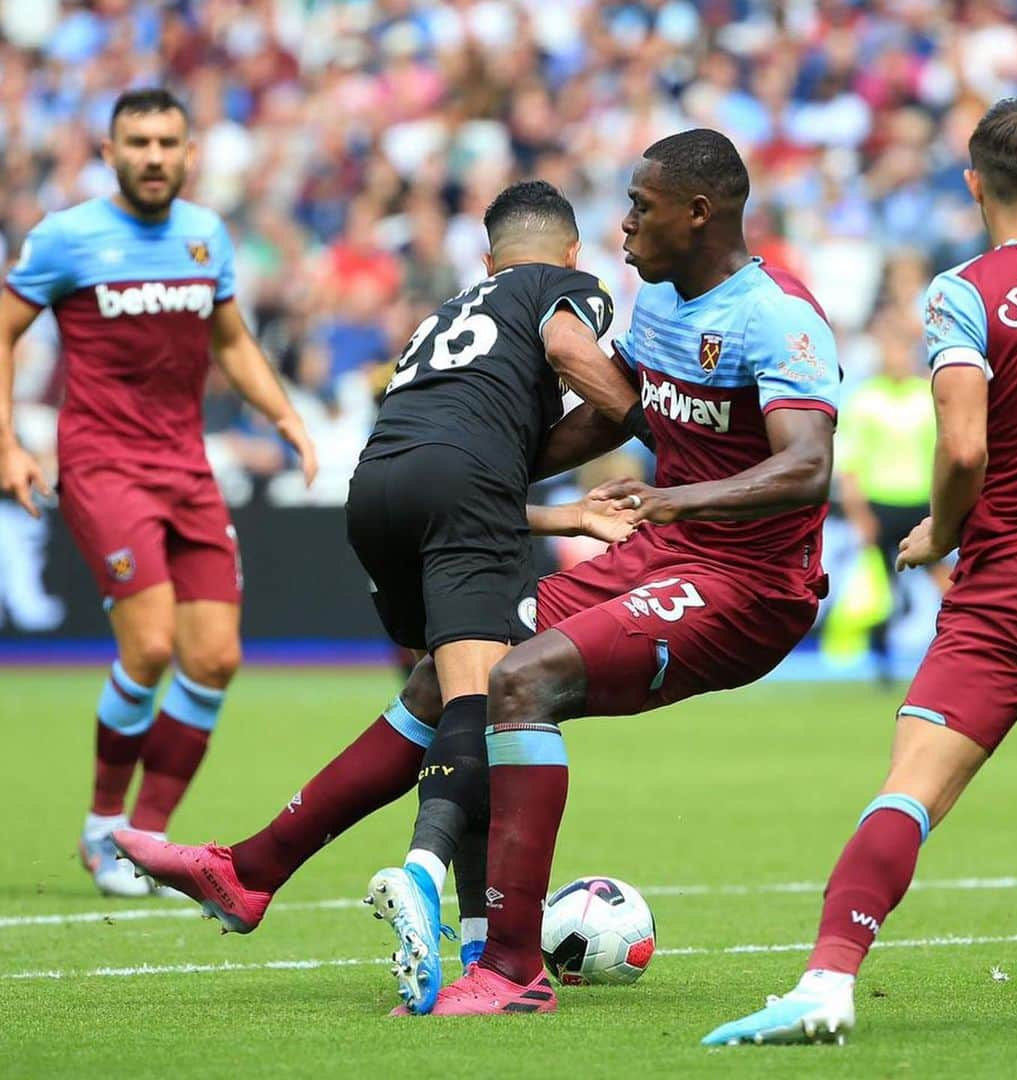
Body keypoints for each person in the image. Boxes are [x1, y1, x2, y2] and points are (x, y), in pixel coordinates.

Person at [115, 129, 841, 1017]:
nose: (623, 227)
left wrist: (677, 503)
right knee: (442, 675)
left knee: (518, 679)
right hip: (663, 554)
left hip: (750, 585)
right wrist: (488, 460)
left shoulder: (778, 314)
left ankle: (512, 968)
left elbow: (807, 467)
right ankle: (250, 872)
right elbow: (612, 422)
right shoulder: (656, 309)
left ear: (700, 213)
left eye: (641, 209)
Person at [119, 178, 650, 1007]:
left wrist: (569, 513)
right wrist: (668, 433)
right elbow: (574, 357)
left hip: (376, 492)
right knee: (489, 706)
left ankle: (254, 870)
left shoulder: (448, 315)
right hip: (460, 492)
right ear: (573, 254)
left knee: (442, 694)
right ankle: (423, 870)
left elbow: (457, 458)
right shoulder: (561, 289)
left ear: (486, 257)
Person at [705, 95, 1017, 1047]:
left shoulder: (964, 292)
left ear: (973, 184)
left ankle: (829, 982)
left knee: (911, 787)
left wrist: (940, 535)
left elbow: (962, 451)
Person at [0, 89, 317, 898]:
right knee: (148, 647)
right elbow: (4, 328)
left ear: (189, 153)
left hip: (186, 468)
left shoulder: (205, 236)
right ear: (109, 153)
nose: (152, 154)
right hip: (103, 465)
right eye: (136, 141)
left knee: (214, 658)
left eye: (166, 141)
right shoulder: (68, 237)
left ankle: (146, 836)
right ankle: (106, 826)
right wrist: (7, 442)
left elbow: (232, 341)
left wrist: (286, 416)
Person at [836, 311, 950, 682]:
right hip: (880, 505)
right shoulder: (866, 399)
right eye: (890, 350)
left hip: (921, 506)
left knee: (947, 583)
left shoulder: (926, 396)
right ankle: (881, 658)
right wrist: (859, 516)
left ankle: (960, 646)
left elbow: (947, 455)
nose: (896, 358)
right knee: (883, 590)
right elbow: (850, 465)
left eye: (902, 350)